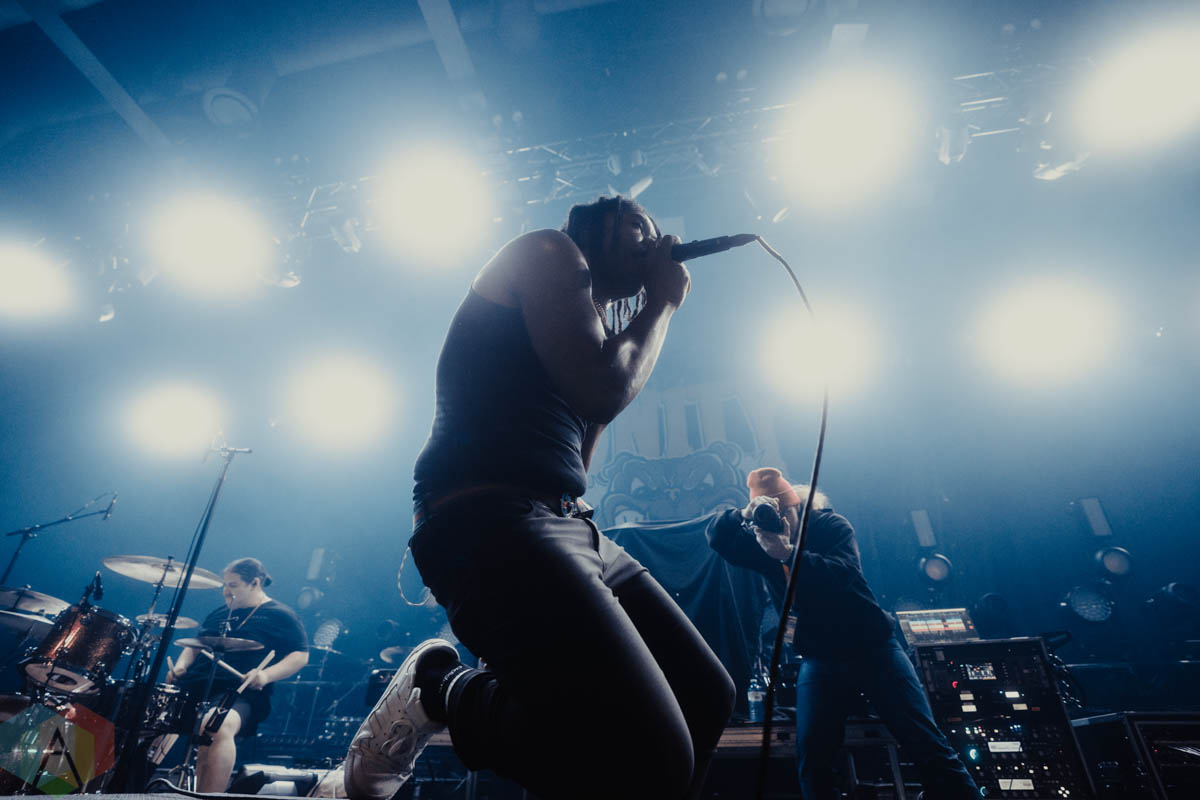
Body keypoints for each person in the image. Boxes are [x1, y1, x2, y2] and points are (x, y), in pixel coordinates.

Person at [342, 196, 736, 800]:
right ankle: (441, 686)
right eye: (638, 226)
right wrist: (662, 302)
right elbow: (605, 389)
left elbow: (585, 441)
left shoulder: (595, 328)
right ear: (598, 223)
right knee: (652, 753)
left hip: (561, 521)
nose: (654, 242)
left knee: (706, 695)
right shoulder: (546, 251)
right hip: (486, 515)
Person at [706, 467, 980, 800]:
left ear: (798, 506)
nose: (782, 522)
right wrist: (744, 514)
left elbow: (843, 573)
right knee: (812, 758)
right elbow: (716, 537)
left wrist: (789, 554)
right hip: (821, 658)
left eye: (785, 513)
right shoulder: (762, 541)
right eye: (771, 517)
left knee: (924, 741)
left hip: (873, 648)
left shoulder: (830, 526)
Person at [166, 558, 309, 792]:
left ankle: (208, 797)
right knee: (148, 719)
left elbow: (300, 655)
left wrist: (265, 675)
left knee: (217, 726)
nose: (226, 591)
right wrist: (180, 667)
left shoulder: (281, 615)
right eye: (225, 585)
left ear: (255, 583)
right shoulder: (218, 614)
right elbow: (194, 646)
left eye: (233, 585)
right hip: (195, 685)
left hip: (238, 691)